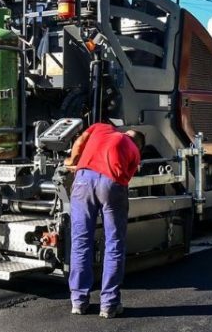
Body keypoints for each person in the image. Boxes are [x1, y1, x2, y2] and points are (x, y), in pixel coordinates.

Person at [63, 122, 142, 318]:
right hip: (111, 185)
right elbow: (125, 179)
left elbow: (80, 141)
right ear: (139, 144)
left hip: (83, 180)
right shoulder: (134, 151)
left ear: (125, 132)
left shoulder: (102, 128)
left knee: (80, 242)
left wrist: (71, 160)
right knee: (114, 243)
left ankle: (79, 301)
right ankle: (109, 304)